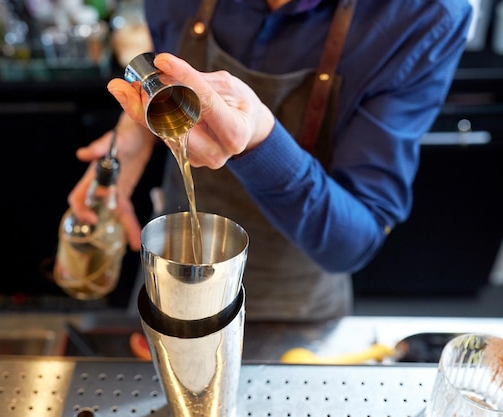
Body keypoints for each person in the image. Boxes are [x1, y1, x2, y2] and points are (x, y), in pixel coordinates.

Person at [68, 0, 473, 322]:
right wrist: (135, 134)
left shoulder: (423, 15)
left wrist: (260, 141)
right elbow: (166, 74)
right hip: (172, 282)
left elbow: (355, 240)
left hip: (290, 310)